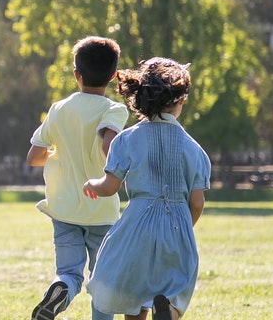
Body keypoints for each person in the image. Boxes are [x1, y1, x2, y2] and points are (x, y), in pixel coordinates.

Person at [82, 58, 210, 320]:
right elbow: (197, 202)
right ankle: (169, 311)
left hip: (136, 226)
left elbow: (109, 187)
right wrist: (184, 225)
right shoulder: (194, 150)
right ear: (181, 100)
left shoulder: (126, 140)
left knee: (134, 297)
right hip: (176, 228)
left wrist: (91, 184)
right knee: (175, 290)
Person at [26, 36, 128, 320]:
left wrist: (59, 153)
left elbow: (34, 156)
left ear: (76, 74)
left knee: (69, 272)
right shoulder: (114, 110)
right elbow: (109, 145)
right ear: (113, 75)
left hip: (63, 208)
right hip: (101, 210)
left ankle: (62, 288)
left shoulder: (59, 108)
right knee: (102, 278)